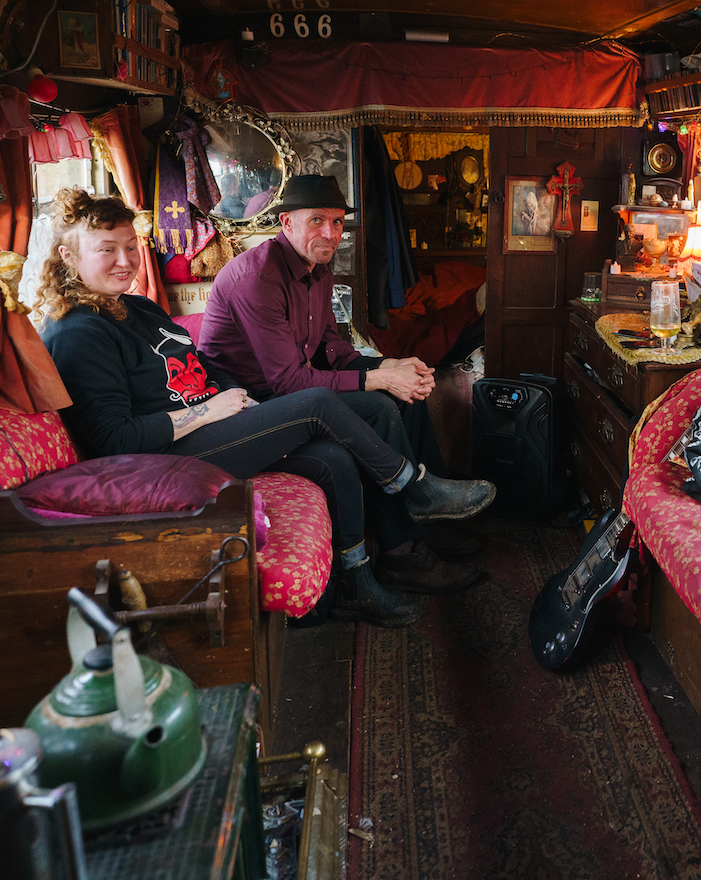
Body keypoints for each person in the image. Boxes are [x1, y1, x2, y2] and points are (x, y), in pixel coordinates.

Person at [36, 188, 492, 628]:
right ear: (69, 257)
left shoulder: (137, 308)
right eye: (106, 250)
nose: (125, 261)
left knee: (333, 459)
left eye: (131, 247)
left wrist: (237, 401)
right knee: (315, 403)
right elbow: (112, 440)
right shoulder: (77, 333)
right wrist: (212, 411)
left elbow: (204, 368)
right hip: (160, 462)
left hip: (208, 427)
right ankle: (415, 488)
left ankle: (356, 580)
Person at [198, 175, 494, 597]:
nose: (329, 233)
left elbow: (329, 345)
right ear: (286, 222)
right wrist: (376, 378)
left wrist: (389, 365)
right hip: (251, 403)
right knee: (380, 406)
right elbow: (286, 381)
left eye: (337, 223)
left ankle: (429, 519)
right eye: (317, 220)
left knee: (403, 393)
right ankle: (401, 553)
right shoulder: (257, 277)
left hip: (293, 387)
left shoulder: (316, 266)